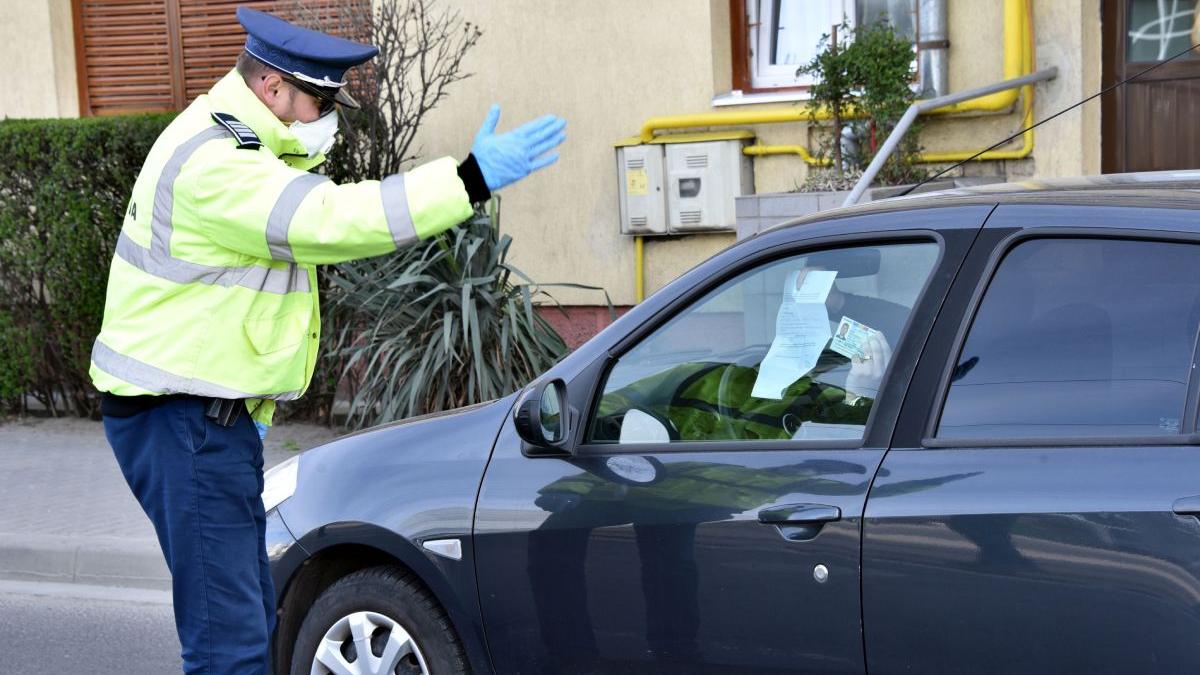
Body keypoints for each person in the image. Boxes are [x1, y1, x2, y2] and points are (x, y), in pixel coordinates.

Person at [88, 7, 566, 673]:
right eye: (319, 100)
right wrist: (467, 180)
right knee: (230, 644)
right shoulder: (217, 164)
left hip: (200, 422)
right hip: (187, 425)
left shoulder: (238, 143)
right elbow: (333, 219)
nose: (326, 116)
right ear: (272, 89)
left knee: (245, 619)